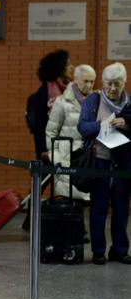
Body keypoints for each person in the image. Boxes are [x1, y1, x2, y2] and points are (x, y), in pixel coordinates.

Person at [78, 62, 131, 265]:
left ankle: (120, 250)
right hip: (99, 161)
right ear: (103, 83)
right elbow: (82, 127)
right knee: (99, 208)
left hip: (122, 164)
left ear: (124, 83)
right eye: (109, 84)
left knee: (121, 209)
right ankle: (98, 251)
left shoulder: (128, 103)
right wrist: (101, 124)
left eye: (117, 84)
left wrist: (125, 124)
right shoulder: (94, 100)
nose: (112, 89)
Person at [23, 49, 74, 230]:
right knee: (40, 185)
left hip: (67, 147)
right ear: (58, 67)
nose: (72, 67)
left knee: (66, 186)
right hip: (48, 148)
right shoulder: (43, 94)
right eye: (68, 64)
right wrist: (44, 150)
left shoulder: (69, 90)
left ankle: (68, 223)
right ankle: (30, 221)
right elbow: (39, 126)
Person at [45, 64, 96, 199]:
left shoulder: (96, 102)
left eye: (92, 81)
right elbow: (51, 132)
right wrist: (55, 157)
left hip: (88, 159)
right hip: (67, 158)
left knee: (87, 202)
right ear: (76, 79)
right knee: (68, 202)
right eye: (86, 81)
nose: (89, 85)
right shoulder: (61, 103)